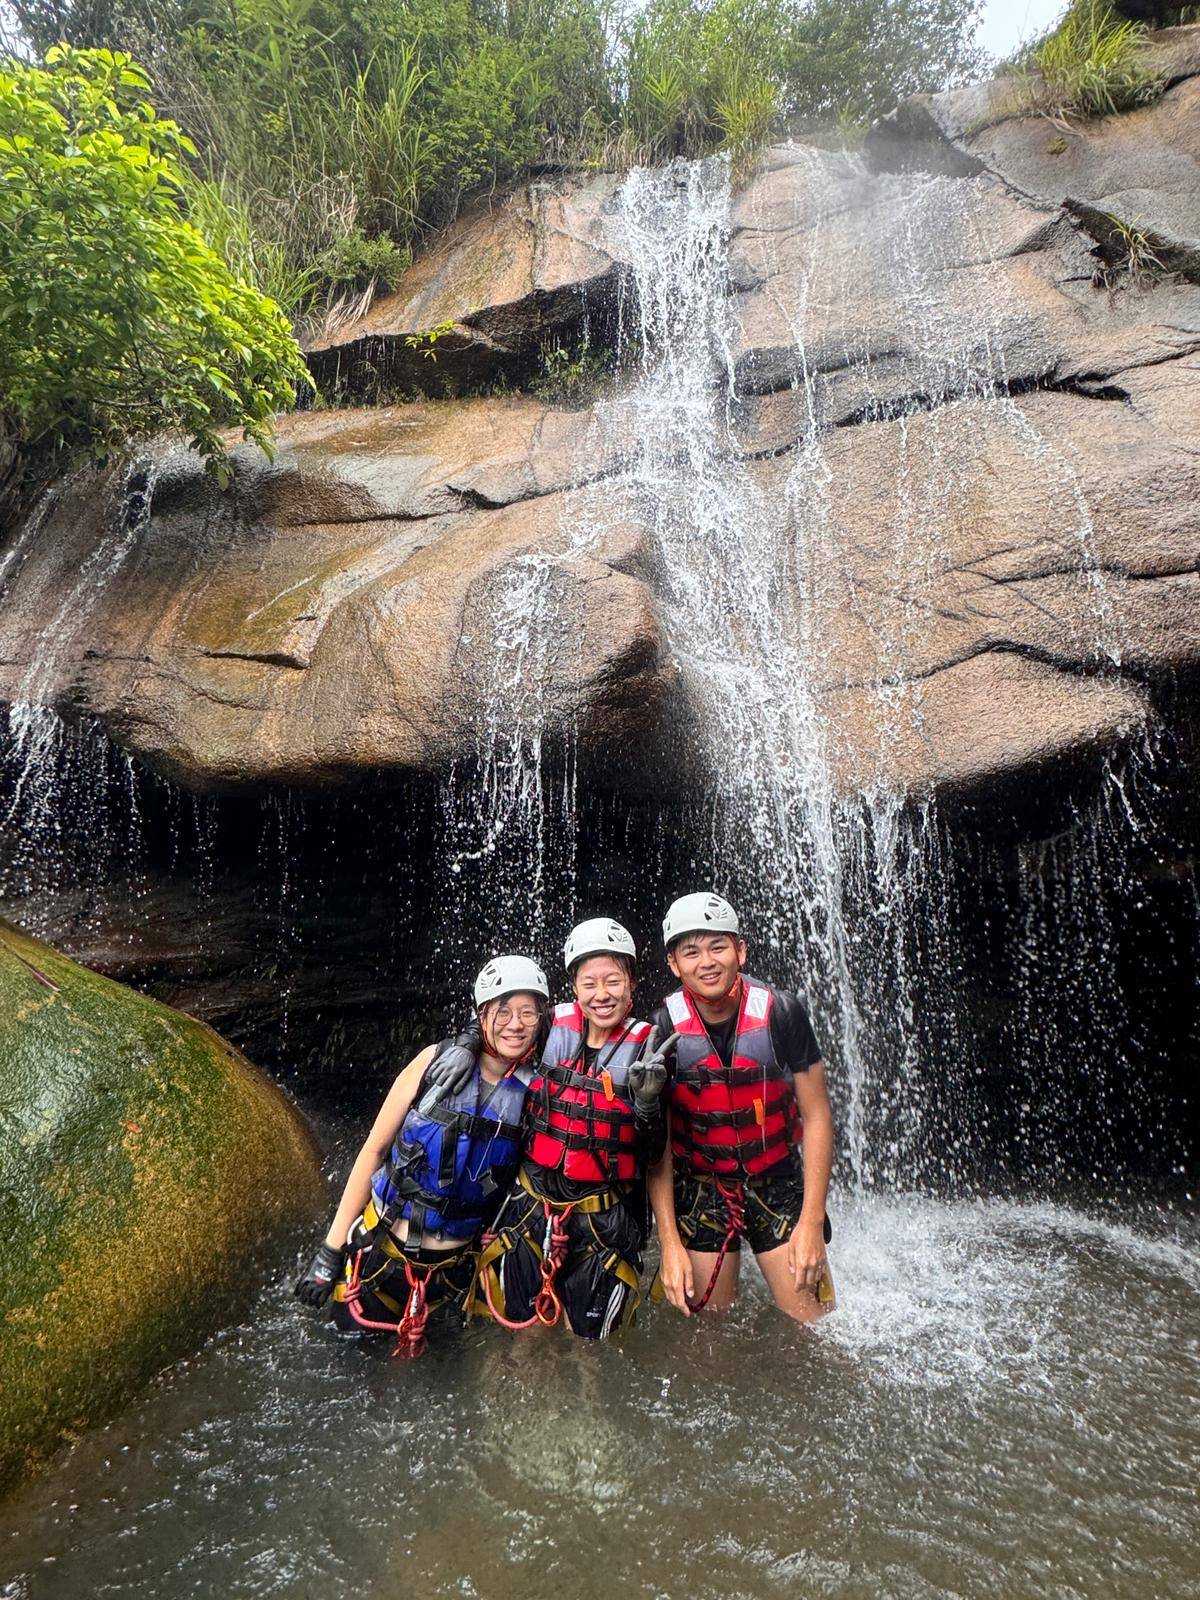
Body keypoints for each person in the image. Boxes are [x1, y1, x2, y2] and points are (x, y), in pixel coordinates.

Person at [293, 955, 549, 1355]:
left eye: (527, 1013)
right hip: (380, 1257)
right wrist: (330, 1250)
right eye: (503, 1011)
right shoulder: (433, 1062)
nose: (515, 1024)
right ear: (482, 1014)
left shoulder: (536, 1092)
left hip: (454, 1277)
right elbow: (373, 1151)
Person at [474, 917, 675, 1339]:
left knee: (588, 1353)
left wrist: (648, 1105)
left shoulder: (651, 1048)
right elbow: (500, 1026)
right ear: (574, 988)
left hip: (604, 1220)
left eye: (613, 981)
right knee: (519, 1341)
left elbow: (654, 1154)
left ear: (632, 983)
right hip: (530, 1210)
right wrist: (465, 1044)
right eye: (589, 984)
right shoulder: (548, 1027)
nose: (602, 995)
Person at [647, 892, 836, 1324]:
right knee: (708, 1341)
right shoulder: (663, 1028)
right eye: (691, 952)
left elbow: (818, 1114)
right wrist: (669, 1242)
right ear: (674, 965)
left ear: (740, 950)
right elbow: (657, 1146)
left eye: (718, 946)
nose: (707, 961)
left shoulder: (782, 1012)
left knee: (817, 1329)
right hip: (702, 1188)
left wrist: (811, 1221)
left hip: (777, 1181)